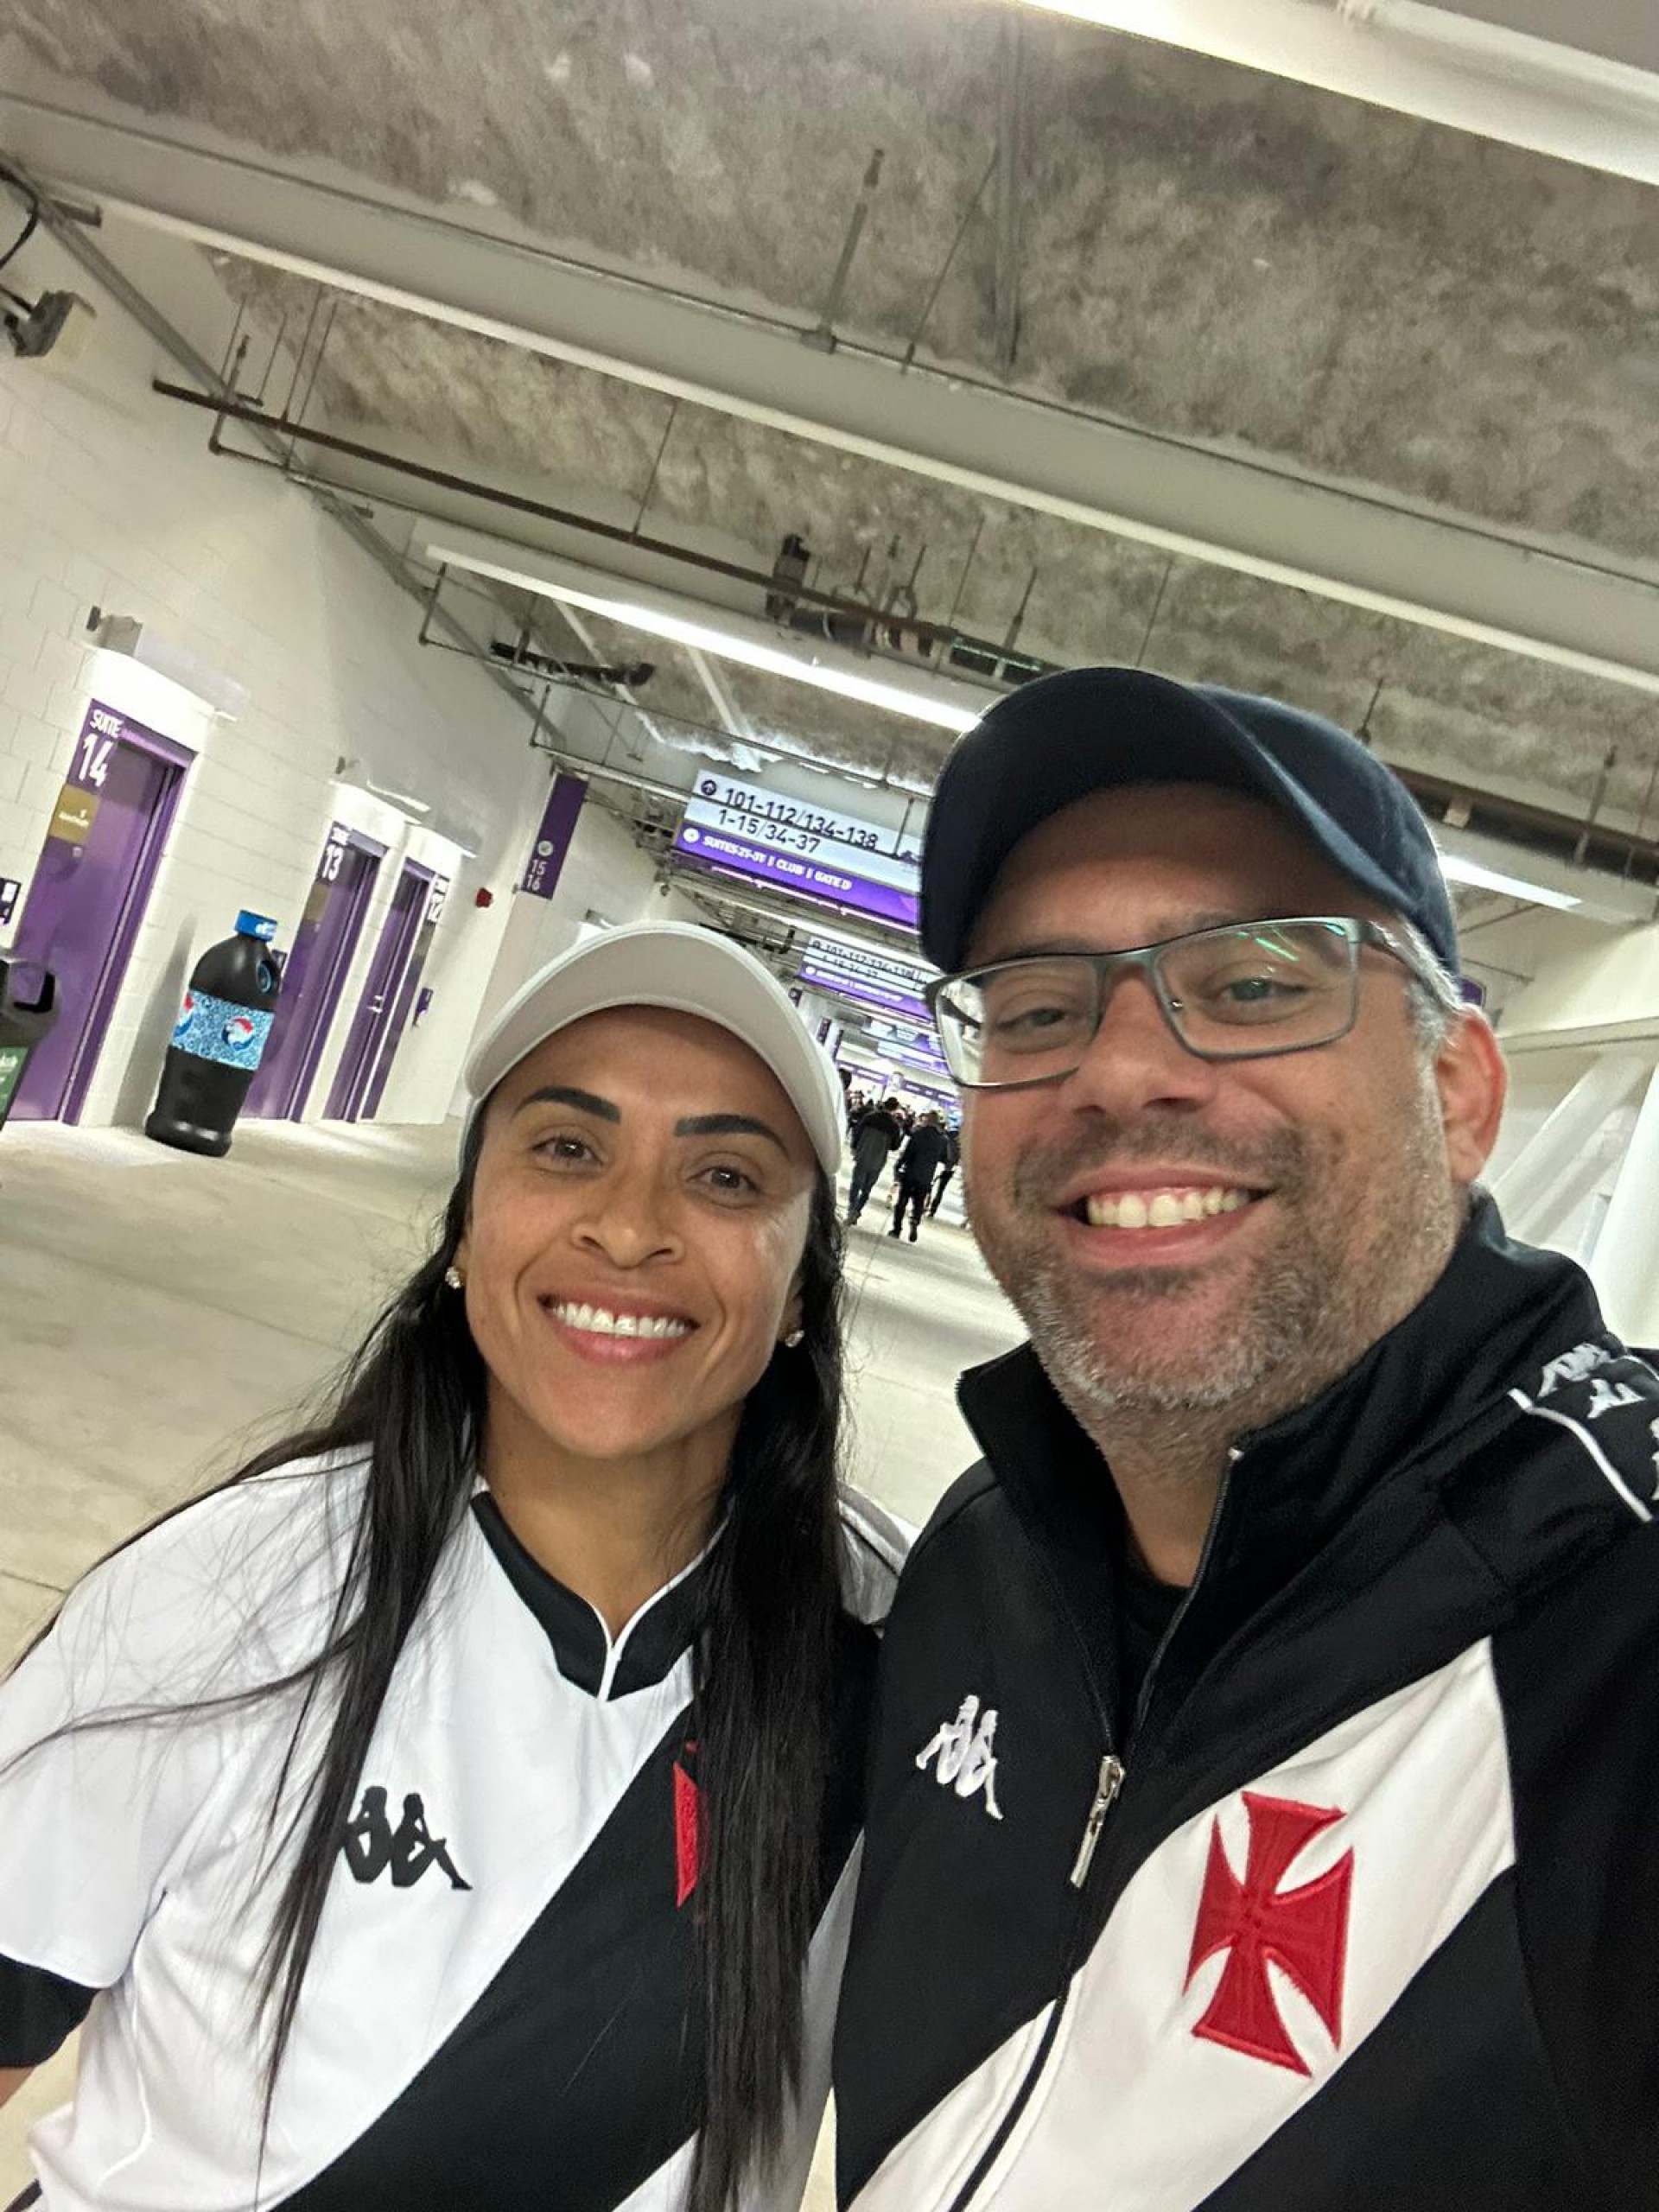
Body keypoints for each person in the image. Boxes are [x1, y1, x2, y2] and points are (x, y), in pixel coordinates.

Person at [833, 667, 1659, 2210]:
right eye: (1035, 1007)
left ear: (1461, 1094)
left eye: (1260, 982)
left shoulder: (1606, 1648)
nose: (1122, 1069)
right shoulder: (978, 1557)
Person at [0, 921, 906, 2212]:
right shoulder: (224, 1595)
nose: (630, 1227)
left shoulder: (898, 1651)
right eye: (568, 1148)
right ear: (467, 1228)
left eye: (724, 1178)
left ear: (806, 1285)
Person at [887, 1112, 950, 1243]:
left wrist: (898, 1166)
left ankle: (897, 1229)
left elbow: (907, 1153)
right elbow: (946, 1159)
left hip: (910, 1172)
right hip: (926, 1177)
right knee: (919, 1202)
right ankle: (915, 1221)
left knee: (902, 1201)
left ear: (928, 1120)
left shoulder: (918, 1134)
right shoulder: (943, 1139)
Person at [847, 1095, 902, 1224]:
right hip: (878, 1159)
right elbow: (895, 1146)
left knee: (856, 1183)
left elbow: (857, 1132)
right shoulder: (894, 1126)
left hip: (863, 1154)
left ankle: (851, 1208)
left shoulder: (870, 1117)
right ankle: (858, 1210)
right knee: (867, 1188)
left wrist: (855, 1146)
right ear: (894, 1109)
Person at [925, 1123, 961, 1218]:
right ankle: (933, 1210)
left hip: (941, 1163)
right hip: (951, 1167)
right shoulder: (966, 1141)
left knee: (931, 1185)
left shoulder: (949, 1135)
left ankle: (926, 1205)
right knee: (941, 1189)